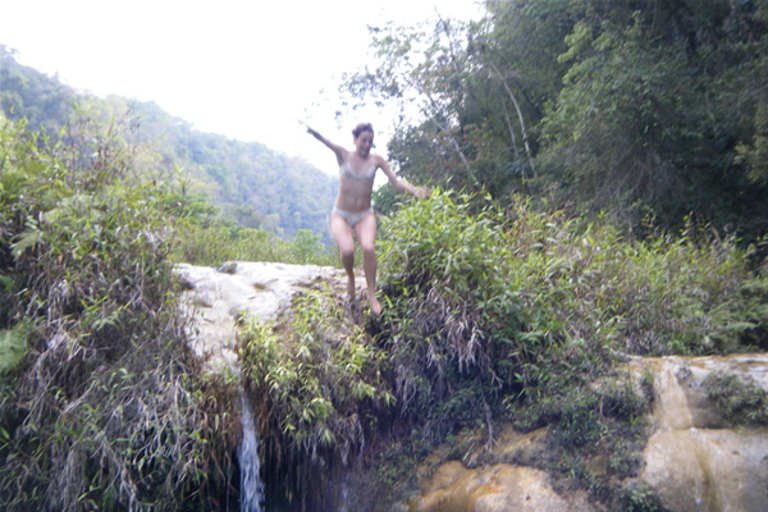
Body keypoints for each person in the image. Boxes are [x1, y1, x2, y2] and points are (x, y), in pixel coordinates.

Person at [302, 121, 430, 314]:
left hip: (364, 214)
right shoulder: (344, 155)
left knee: (369, 248)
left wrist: (417, 192)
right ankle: (351, 277)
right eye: (363, 140)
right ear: (355, 140)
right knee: (347, 251)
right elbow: (325, 141)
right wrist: (312, 131)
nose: (367, 144)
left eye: (370, 141)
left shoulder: (377, 161)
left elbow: (396, 182)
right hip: (341, 215)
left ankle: (371, 294)